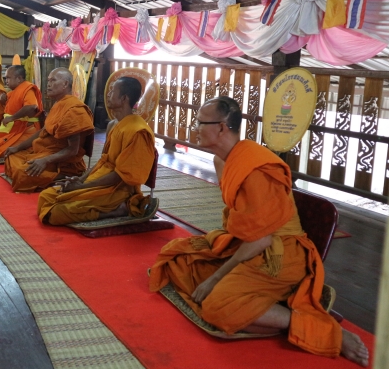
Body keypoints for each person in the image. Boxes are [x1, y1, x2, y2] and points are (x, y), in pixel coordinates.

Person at [148, 96, 368, 367]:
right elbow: (246, 223)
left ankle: (318, 328)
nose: (194, 128)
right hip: (248, 243)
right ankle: (264, 307)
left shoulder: (255, 169)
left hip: (279, 254)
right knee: (178, 260)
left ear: (221, 127)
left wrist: (215, 278)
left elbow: (262, 238)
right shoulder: (222, 160)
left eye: (200, 122)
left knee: (217, 307)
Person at [37, 77, 155, 225]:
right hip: (99, 179)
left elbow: (121, 176)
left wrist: (83, 186)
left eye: (112, 91)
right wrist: (80, 179)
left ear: (124, 98)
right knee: (46, 197)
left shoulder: (138, 132)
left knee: (56, 212)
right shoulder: (113, 125)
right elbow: (103, 161)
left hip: (118, 189)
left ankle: (118, 209)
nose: (108, 94)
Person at [4, 68, 94, 193]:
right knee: (11, 156)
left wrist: (45, 161)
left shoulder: (74, 110)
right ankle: (43, 174)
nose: (48, 84)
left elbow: (72, 150)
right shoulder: (58, 104)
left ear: (65, 84)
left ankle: (62, 176)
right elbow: (42, 131)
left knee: (21, 173)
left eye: (53, 80)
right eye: (48, 81)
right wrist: (17, 147)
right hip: (44, 152)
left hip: (62, 162)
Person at [0, 65, 43, 161]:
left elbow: (32, 106)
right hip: (13, 129)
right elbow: (10, 105)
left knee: (4, 151)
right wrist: (2, 100)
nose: (6, 81)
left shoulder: (28, 89)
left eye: (8, 78)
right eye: (6, 78)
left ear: (19, 79)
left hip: (26, 130)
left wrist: (12, 118)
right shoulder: (13, 92)